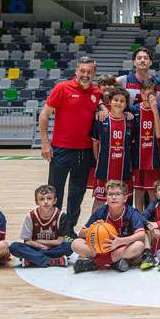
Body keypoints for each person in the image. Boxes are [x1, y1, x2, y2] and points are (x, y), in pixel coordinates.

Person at [38, 56, 105, 236]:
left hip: (84, 151)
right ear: (76, 70)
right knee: (55, 191)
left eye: (89, 72)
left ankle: (68, 230)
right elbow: (44, 115)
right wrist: (45, 144)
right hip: (60, 150)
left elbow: (99, 106)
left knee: (77, 193)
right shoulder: (62, 88)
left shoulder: (96, 92)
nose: (85, 75)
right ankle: (52, 228)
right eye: (82, 71)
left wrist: (102, 107)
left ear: (94, 73)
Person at [72, 181, 145, 273]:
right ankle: (115, 263)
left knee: (139, 245)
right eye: (110, 194)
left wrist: (120, 241)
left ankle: (95, 263)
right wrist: (91, 229)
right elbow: (81, 234)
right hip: (101, 248)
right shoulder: (101, 211)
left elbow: (141, 234)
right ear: (106, 198)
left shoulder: (131, 212)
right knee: (75, 244)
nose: (114, 197)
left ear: (125, 198)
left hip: (120, 248)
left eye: (118, 194)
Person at [90, 86, 136, 212]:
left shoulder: (130, 122)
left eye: (122, 101)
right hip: (104, 169)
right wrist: (99, 160)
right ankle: (94, 227)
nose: (118, 103)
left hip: (124, 169)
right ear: (109, 101)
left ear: (126, 104)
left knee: (123, 201)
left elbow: (131, 146)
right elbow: (95, 144)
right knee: (99, 200)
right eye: (116, 100)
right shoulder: (101, 119)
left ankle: (122, 228)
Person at [9, 185, 72, 268]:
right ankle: (53, 261)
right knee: (14, 247)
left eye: (49, 198)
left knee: (69, 246)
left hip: (54, 248)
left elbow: (59, 241)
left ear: (55, 200)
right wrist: (41, 246)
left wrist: (41, 241)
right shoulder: (30, 216)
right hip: (35, 247)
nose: (46, 202)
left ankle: (32, 259)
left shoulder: (61, 216)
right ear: (36, 202)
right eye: (42, 199)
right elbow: (27, 241)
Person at [132, 79, 160, 211]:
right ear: (140, 92)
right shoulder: (133, 109)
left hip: (153, 157)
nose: (147, 95)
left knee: (152, 192)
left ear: (155, 94)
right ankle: (138, 221)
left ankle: (152, 219)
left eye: (150, 93)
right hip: (137, 157)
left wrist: (155, 111)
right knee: (138, 192)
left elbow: (159, 135)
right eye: (144, 92)